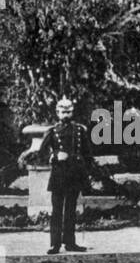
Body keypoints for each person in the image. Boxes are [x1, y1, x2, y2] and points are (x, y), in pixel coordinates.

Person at [19, 97, 92, 253]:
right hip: (59, 175)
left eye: (68, 111)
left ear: (72, 112)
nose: (65, 114)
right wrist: (55, 154)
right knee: (57, 210)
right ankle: (55, 243)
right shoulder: (52, 131)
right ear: (57, 112)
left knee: (71, 210)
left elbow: (88, 154)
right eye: (62, 111)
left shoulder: (80, 130)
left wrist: (87, 173)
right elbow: (41, 154)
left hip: (74, 174)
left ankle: (70, 243)